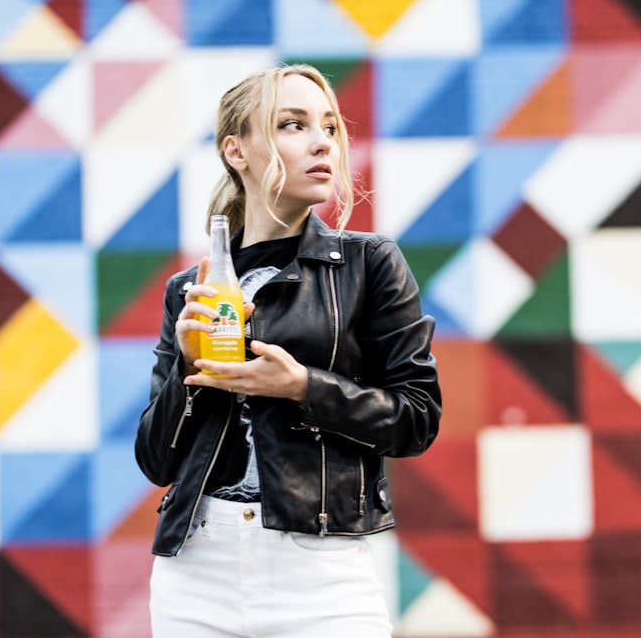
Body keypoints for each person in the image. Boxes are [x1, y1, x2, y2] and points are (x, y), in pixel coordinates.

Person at [135, 63, 442, 637]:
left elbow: (417, 419)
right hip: (195, 567)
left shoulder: (367, 264)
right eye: (292, 125)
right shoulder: (191, 290)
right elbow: (156, 463)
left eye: (329, 127)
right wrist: (184, 365)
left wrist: (303, 387)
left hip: (320, 568)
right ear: (237, 151)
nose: (322, 141)